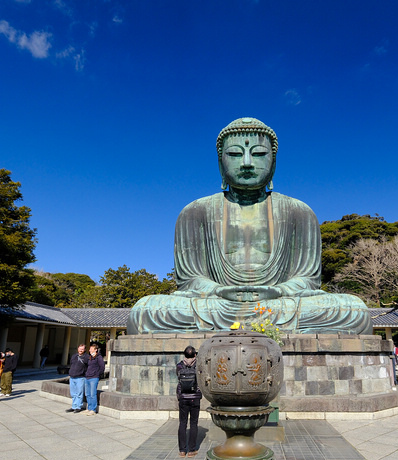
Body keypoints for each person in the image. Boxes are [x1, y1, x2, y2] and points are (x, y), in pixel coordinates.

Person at [128, 118, 372, 335]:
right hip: (217, 303)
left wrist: (277, 292)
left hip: (279, 303)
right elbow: (190, 280)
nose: (246, 163)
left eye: (258, 154)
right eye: (235, 155)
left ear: (273, 163)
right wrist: (218, 291)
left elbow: (307, 280)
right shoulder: (195, 212)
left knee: (353, 310)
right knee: (146, 311)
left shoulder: (299, 212)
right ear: (221, 163)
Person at [177, 346, 202, 458]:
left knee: (182, 423)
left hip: (183, 397)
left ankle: (182, 450)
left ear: (184, 355)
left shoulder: (179, 365)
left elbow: (178, 378)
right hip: (194, 397)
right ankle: (191, 450)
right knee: (193, 423)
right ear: (195, 355)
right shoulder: (198, 366)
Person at [84, 343, 105, 416]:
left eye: (91, 349)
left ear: (95, 350)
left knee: (93, 394)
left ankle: (93, 409)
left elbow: (102, 367)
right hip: (88, 377)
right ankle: (89, 408)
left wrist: (97, 374)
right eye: (89, 349)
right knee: (87, 394)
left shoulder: (99, 357)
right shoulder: (90, 357)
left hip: (94, 377)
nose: (89, 350)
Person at [66, 344, 88, 413]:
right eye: (80, 348)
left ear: (84, 350)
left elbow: (88, 366)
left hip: (80, 377)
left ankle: (78, 406)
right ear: (78, 348)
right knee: (73, 393)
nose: (81, 350)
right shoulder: (74, 356)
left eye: (82, 349)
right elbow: (71, 364)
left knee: (79, 393)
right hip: (72, 377)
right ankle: (74, 406)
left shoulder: (86, 357)